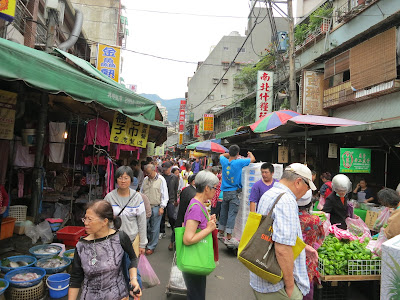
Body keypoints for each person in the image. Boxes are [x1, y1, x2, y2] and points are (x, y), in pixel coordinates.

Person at [250, 163, 317, 300]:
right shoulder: (287, 201)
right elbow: (282, 249)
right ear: (298, 182)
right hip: (275, 283)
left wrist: (303, 247)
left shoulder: (270, 193)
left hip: (261, 272)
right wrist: (290, 285)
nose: (306, 192)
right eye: (307, 187)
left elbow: (272, 233)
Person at [69, 200, 141, 300]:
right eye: (85, 219)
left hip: (118, 295)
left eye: (90, 219)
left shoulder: (120, 238)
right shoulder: (81, 246)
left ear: (105, 221)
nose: (85, 223)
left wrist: (133, 279)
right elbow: (76, 278)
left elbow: (133, 258)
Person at [182, 170, 219, 300]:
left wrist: (209, 222)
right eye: (214, 187)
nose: (216, 191)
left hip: (196, 259)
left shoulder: (198, 203)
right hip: (194, 260)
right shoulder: (197, 207)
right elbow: (188, 239)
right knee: (196, 296)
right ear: (207, 188)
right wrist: (209, 229)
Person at [104, 166, 147, 257]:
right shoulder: (109, 197)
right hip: (113, 240)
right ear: (116, 179)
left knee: (131, 267)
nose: (123, 181)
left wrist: (142, 244)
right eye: (120, 178)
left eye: (126, 178)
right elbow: (103, 219)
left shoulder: (137, 197)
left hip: (132, 240)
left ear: (131, 179)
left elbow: (142, 222)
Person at [218, 145, 255, 246]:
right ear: (238, 154)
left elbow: (221, 155)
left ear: (229, 153)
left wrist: (229, 154)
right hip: (234, 192)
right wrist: (249, 154)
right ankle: (229, 236)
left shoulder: (224, 161)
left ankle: (220, 231)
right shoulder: (239, 162)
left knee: (224, 212)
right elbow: (252, 159)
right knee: (232, 214)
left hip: (225, 191)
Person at [297, 191, 325, 300]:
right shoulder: (315, 220)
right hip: (308, 261)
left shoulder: (289, 217)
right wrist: (312, 247)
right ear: (309, 204)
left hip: (289, 258)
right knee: (307, 292)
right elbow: (321, 238)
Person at [140, 163, 169, 255]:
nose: (148, 175)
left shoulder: (161, 180)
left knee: (154, 228)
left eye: (149, 173)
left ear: (154, 170)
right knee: (145, 226)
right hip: (145, 207)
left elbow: (165, 195)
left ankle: (151, 246)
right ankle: (146, 242)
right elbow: (141, 192)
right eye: (146, 173)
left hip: (156, 207)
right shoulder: (145, 179)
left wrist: (162, 207)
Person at [160, 161, 179, 251]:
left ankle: (173, 229)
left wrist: (175, 199)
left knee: (171, 215)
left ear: (170, 168)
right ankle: (162, 231)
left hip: (171, 199)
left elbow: (175, 189)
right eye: (163, 169)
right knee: (162, 216)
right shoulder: (161, 177)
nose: (165, 171)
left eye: (166, 169)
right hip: (162, 199)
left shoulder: (174, 177)